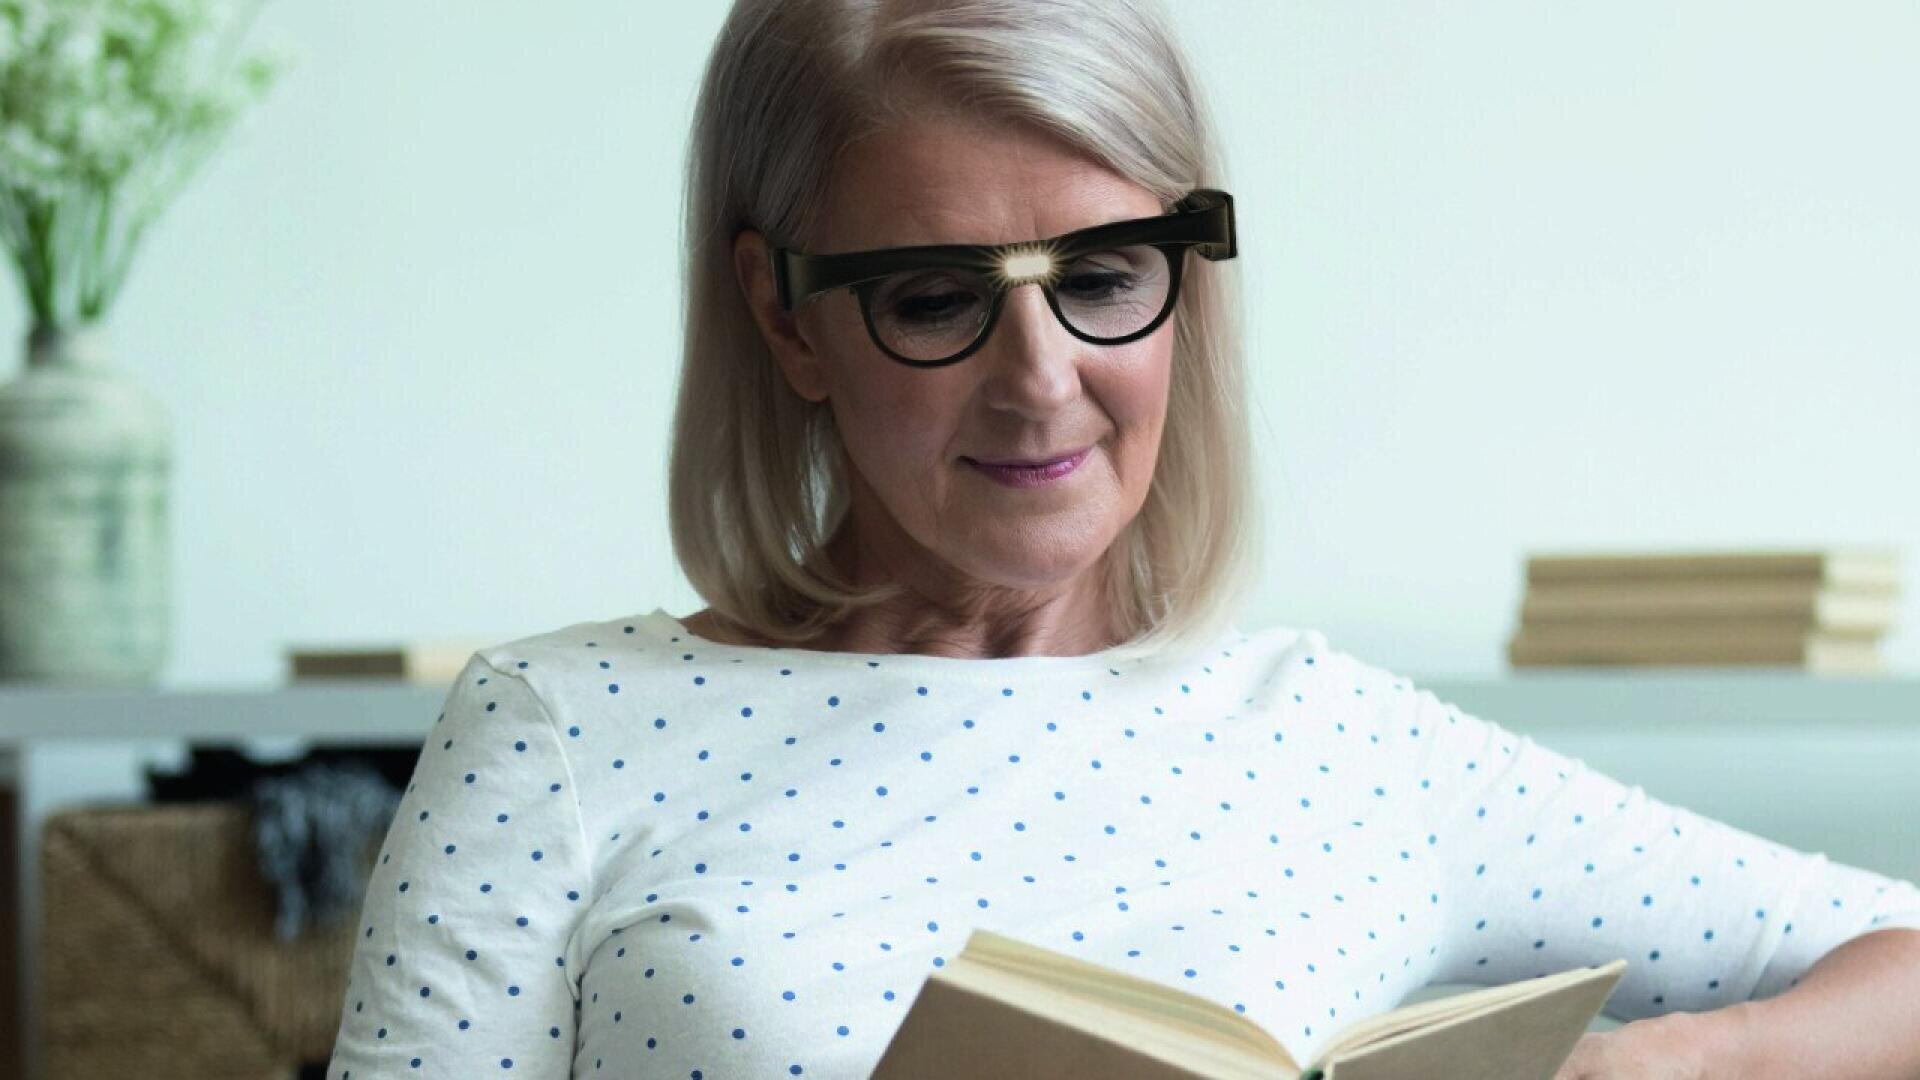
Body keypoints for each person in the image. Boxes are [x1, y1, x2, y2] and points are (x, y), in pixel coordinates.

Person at [324, 1, 1920, 1077]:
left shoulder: (1346, 747)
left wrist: (1689, 1057)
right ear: (784, 319)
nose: (1042, 382)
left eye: (1102, 278)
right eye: (937, 298)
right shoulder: (562, 734)